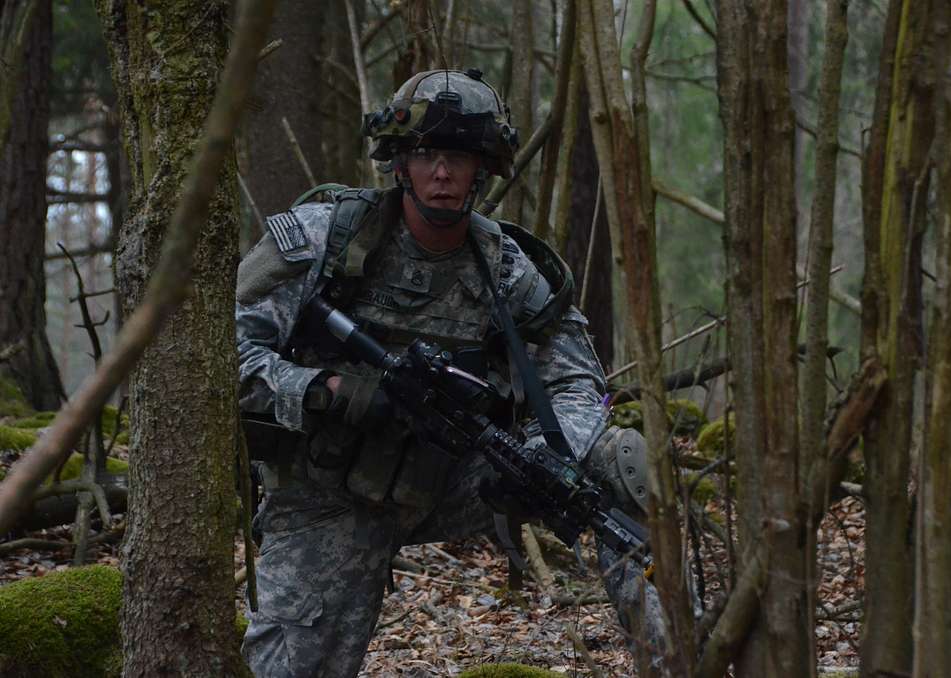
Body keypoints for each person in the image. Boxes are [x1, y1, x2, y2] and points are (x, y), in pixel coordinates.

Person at [236, 68, 666, 677]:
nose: (442, 172)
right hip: (326, 491)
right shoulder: (321, 240)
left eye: (458, 157)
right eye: (427, 154)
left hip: (453, 476)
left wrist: (548, 451)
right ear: (399, 163)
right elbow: (227, 358)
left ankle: (687, 658)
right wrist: (324, 390)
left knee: (621, 467)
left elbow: (578, 382)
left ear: (482, 169)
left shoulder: (506, 266)